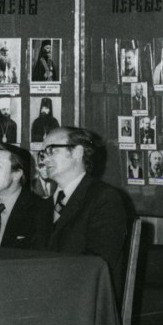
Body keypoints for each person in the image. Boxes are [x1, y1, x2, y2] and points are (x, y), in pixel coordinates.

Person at [41, 127, 129, 300]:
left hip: (83, 298)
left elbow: (97, 262)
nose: (45, 159)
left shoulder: (104, 197)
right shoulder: (45, 204)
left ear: (77, 152)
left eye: (52, 150)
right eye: (43, 153)